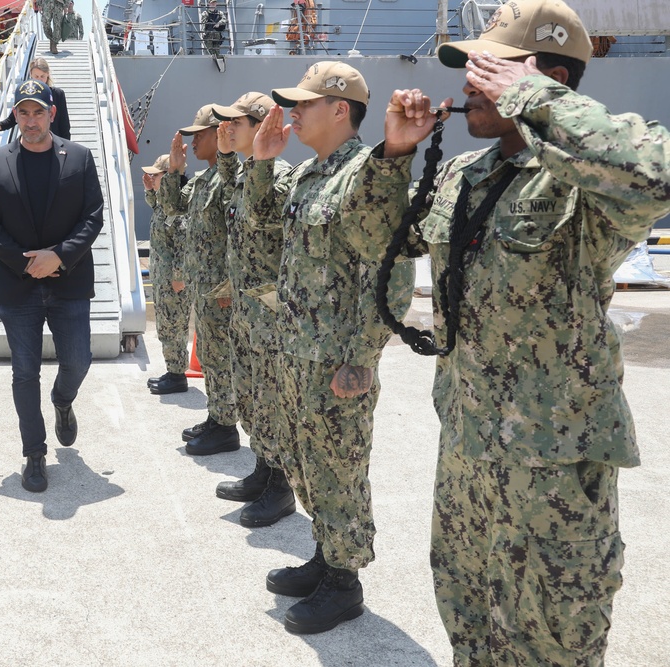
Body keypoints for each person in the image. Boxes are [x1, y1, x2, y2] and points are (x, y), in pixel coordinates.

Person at [356, 0, 670, 662]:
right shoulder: (464, 175)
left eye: (485, 67)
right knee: (467, 622)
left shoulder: (585, 187)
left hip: (550, 481)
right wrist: (391, 157)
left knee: (552, 644)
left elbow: (657, 172)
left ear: (546, 77)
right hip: (467, 458)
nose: (467, 82)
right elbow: (372, 245)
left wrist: (536, 100)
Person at [244, 62, 414, 634]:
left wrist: (363, 357)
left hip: (336, 358)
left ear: (340, 109)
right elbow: (260, 227)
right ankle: (326, 557)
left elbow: (389, 272)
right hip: (297, 350)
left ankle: (345, 584)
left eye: (304, 103)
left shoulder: (367, 175)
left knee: (339, 468)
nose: (292, 112)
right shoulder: (309, 175)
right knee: (310, 466)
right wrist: (263, 166)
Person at [0, 79, 104, 492]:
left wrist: (59, 257)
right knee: (24, 372)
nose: (31, 121)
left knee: (78, 361)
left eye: (39, 112)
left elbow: (92, 217)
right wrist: (25, 263)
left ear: (52, 113)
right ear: (15, 116)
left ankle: (63, 401)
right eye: (23, 113)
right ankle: (34, 453)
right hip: (18, 285)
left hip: (68, 281)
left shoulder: (80, 158)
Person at [209, 92, 296, 528]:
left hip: (269, 309)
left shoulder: (277, 179)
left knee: (271, 399)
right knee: (251, 395)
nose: (226, 129)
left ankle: (280, 488)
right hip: (246, 307)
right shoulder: (245, 175)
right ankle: (263, 469)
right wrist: (227, 156)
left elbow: (263, 218)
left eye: (235, 123)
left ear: (261, 127)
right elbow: (232, 198)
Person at [159, 105, 239, 455]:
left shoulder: (231, 177)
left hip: (221, 289)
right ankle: (217, 416)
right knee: (208, 353)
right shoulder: (205, 180)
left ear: (220, 134)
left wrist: (229, 287)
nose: (192, 142)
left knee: (221, 356)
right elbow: (174, 207)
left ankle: (226, 427)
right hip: (203, 288)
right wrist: (175, 172)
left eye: (199, 135)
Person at [141, 154, 190, 395]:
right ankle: (173, 370)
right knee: (165, 325)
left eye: (156, 175)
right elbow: (157, 209)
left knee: (174, 326)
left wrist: (179, 276)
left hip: (173, 281)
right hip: (162, 277)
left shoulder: (179, 208)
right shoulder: (165, 203)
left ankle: (178, 375)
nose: (152, 177)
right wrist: (150, 190)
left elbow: (182, 243)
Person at [0, 58, 71, 140]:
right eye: (36, 76)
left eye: (42, 76)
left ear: (48, 75)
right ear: (31, 75)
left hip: (55, 144)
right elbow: (11, 120)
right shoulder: (24, 95)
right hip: (32, 143)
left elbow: (64, 125)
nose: (39, 79)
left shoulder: (58, 94)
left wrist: (66, 149)